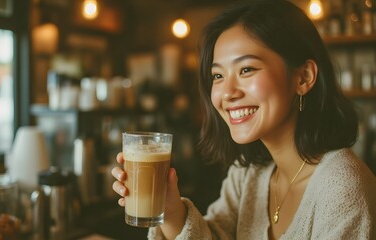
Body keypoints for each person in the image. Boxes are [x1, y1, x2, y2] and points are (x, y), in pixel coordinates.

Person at [112, 0, 376, 239]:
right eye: (218, 76)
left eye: (247, 69)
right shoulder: (249, 173)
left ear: (303, 77)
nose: (227, 92)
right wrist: (170, 211)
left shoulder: (342, 187)